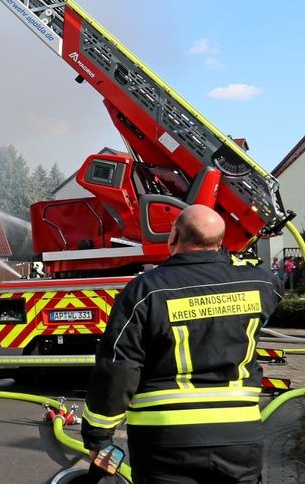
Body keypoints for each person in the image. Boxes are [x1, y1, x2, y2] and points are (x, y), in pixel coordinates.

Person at [81, 205, 282, 483]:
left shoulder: (145, 290)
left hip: (166, 440)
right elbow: (274, 289)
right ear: (220, 241)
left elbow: (119, 367)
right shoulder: (260, 284)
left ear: (173, 235)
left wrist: (98, 436)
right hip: (239, 437)